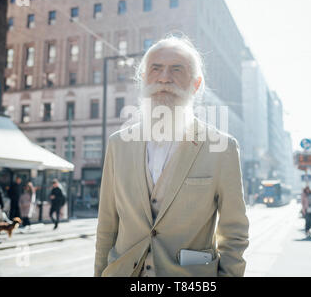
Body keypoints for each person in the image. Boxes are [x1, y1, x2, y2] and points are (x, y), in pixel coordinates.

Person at [94, 35, 249, 277]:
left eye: (177, 69)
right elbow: (106, 226)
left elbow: (234, 233)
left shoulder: (223, 148)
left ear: (196, 84)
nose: (165, 78)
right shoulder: (118, 144)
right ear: (143, 78)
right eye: (155, 68)